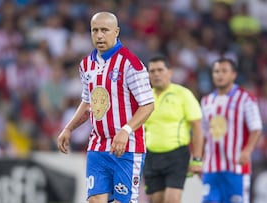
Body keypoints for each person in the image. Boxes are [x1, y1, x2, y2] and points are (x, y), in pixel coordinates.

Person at [57, 12, 154, 203]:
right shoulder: (86, 64)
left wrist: (126, 130)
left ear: (116, 32)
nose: (99, 35)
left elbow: (148, 105)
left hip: (128, 148)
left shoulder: (131, 63)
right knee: (94, 200)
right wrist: (69, 128)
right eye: (95, 30)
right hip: (98, 145)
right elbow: (88, 103)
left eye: (104, 30)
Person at [143, 55, 204, 203]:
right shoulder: (145, 98)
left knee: (172, 200)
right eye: (152, 71)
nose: (156, 74)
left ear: (170, 72)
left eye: (160, 70)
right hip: (151, 156)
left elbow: (197, 127)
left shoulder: (183, 94)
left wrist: (197, 159)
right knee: (156, 200)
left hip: (176, 155)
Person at [200, 58, 262, 203]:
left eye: (224, 71)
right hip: (211, 168)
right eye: (216, 71)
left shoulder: (246, 99)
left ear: (233, 75)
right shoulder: (206, 101)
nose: (219, 75)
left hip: (237, 168)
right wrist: (198, 158)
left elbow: (256, 128)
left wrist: (247, 151)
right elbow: (203, 134)